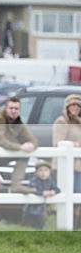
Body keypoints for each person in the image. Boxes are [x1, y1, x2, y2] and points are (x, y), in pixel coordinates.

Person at [0, 97, 38, 225]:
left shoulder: (18, 123)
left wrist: (31, 145)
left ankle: (16, 184)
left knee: (24, 155)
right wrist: (21, 147)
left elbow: (33, 139)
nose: (14, 111)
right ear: (6, 108)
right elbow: (0, 141)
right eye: (11, 108)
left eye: (16, 109)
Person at [52, 93, 81, 228]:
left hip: (78, 165)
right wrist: (75, 144)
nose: (75, 108)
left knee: (77, 194)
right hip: (67, 166)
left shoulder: (79, 122)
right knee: (70, 193)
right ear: (68, 107)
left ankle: (76, 223)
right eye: (73, 105)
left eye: (78, 106)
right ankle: (68, 223)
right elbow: (58, 142)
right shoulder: (61, 121)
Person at [21, 160, 59, 229]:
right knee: (27, 226)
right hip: (30, 209)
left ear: (49, 172)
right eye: (40, 170)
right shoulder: (34, 181)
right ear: (36, 172)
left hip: (42, 210)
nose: (43, 173)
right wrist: (42, 193)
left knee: (39, 226)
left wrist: (53, 191)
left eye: (46, 170)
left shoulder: (50, 181)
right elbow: (32, 190)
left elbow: (57, 189)